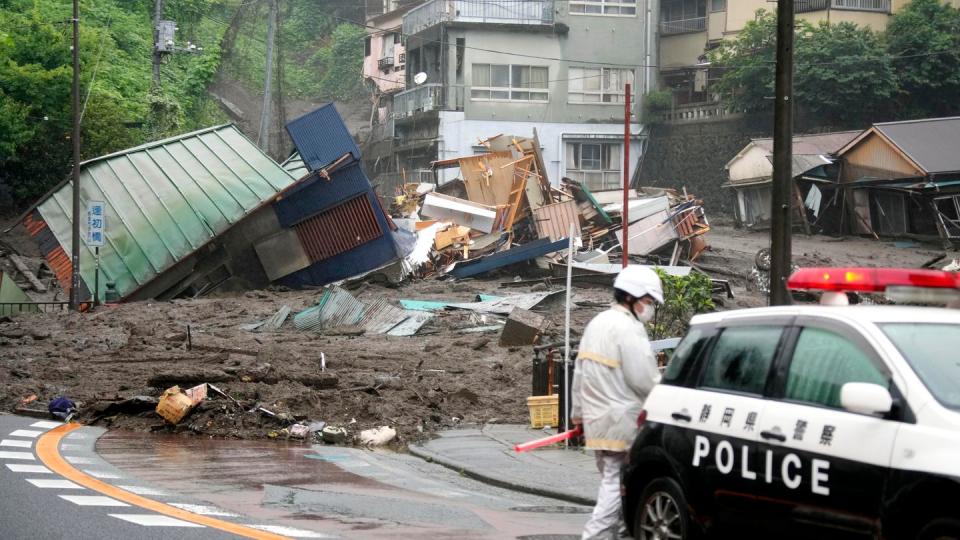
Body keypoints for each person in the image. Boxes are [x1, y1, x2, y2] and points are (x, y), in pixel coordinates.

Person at [571, 265, 663, 540]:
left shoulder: (598, 323)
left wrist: (578, 416)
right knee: (616, 485)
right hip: (621, 424)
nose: (649, 308)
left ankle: (623, 535)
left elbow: (579, 371)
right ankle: (595, 536)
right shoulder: (629, 329)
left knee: (622, 487)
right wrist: (666, 399)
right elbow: (644, 379)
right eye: (647, 301)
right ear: (631, 298)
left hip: (598, 423)